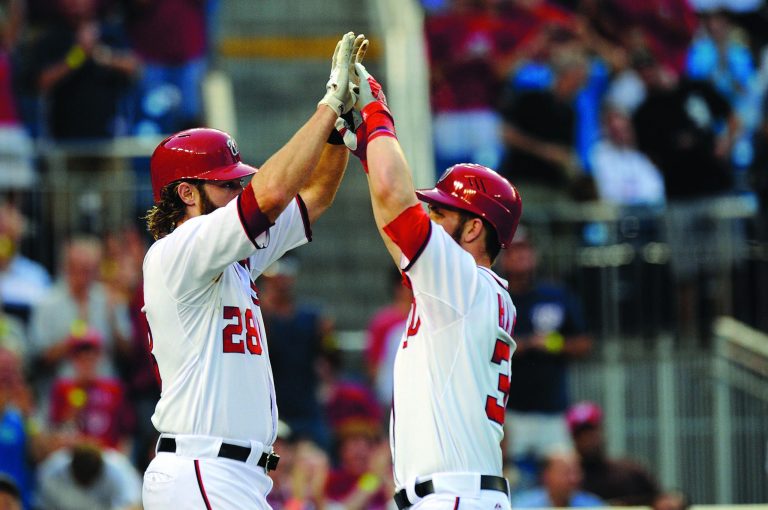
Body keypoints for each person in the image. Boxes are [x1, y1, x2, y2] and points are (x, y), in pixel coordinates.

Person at [140, 32, 366, 509]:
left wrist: (340, 127)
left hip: (232, 474)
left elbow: (315, 197)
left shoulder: (230, 257)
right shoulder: (180, 248)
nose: (237, 190)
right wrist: (327, 104)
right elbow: (270, 195)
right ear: (186, 193)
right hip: (202, 468)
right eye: (225, 184)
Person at [340, 60, 521, 509]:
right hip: (459, 491)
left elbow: (395, 201)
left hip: (453, 494)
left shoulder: (463, 284)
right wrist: (366, 155)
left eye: (441, 213)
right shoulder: (467, 289)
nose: (431, 219)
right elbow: (395, 223)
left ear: (475, 229)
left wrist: (376, 113)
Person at [499, 228, 593, 489]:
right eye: (514, 251)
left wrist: (553, 343)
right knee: (507, 482)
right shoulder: (495, 295)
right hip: (509, 412)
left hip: (552, 411)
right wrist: (524, 345)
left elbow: (584, 342)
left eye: (526, 249)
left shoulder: (555, 295)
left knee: (565, 478)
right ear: (503, 257)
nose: (521, 256)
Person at [259, 256, 334, 452]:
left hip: (306, 407)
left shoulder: (313, 319)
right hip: (271, 409)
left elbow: (331, 360)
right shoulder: (258, 317)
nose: (282, 281)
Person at [566, 401, 660, 506]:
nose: (587, 439)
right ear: (573, 438)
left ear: (602, 431)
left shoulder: (629, 473)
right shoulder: (569, 480)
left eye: (591, 432)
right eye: (581, 435)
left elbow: (661, 500)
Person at [36, 442, 142, 510]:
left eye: (89, 481)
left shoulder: (119, 469)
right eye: (80, 480)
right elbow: (41, 504)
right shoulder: (52, 469)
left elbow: (135, 505)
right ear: (71, 468)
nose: (85, 487)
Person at [511, 450, 605, 508]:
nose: (573, 479)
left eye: (576, 472)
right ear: (546, 476)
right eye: (566, 473)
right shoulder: (523, 506)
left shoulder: (593, 505)